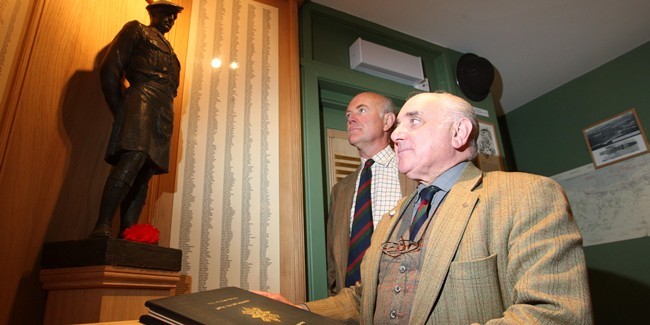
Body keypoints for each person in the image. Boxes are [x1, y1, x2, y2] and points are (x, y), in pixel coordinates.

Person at [261, 91, 593, 324]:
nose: (397, 135)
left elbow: (557, 314)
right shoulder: (394, 217)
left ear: (459, 132)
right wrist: (299, 309)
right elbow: (365, 297)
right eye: (398, 124)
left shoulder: (527, 194)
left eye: (414, 121)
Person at [90, 0, 184, 238]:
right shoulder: (137, 30)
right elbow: (110, 70)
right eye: (167, 13)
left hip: (163, 110)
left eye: (174, 16)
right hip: (141, 98)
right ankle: (102, 224)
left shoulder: (173, 54)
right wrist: (121, 110)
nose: (171, 19)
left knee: (147, 169)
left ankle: (128, 231)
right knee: (134, 156)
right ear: (153, 13)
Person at [327, 92, 415, 295]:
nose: (351, 119)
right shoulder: (339, 191)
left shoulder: (416, 174)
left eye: (362, 110)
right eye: (348, 115)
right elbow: (334, 260)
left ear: (387, 121)